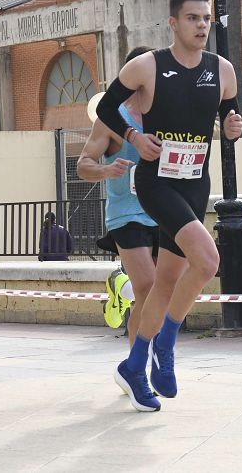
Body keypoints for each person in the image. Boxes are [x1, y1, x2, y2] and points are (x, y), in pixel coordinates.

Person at [96, 0, 242, 412]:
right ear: (174, 23)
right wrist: (133, 137)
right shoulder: (147, 66)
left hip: (195, 181)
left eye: (206, 18)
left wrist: (233, 128)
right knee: (209, 260)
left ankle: (135, 364)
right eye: (193, 18)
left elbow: (231, 118)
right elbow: (106, 108)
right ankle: (168, 343)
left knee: (166, 281)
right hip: (157, 183)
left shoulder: (223, 70)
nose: (202, 25)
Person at [76, 46, 160, 345]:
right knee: (149, 288)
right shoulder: (113, 118)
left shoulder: (166, 115)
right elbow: (83, 164)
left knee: (158, 293)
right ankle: (140, 365)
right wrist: (107, 170)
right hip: (127, 214)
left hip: (163, 211)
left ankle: (121, 289)